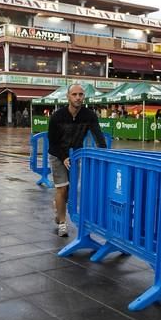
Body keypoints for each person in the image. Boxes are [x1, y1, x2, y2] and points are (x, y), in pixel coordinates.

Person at [48, 83, 106, 237]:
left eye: (80, 94)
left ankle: (58, 207)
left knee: (70, 190)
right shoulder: (57, 117)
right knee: (62, 188)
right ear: (68, 96)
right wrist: (63, 156)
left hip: (75, 155)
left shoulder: (89, 115)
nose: (78, 97)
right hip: (57, 153)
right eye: (74, 94)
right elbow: (52, 142)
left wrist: (105, 155)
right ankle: (62, 223)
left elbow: (99, 137)